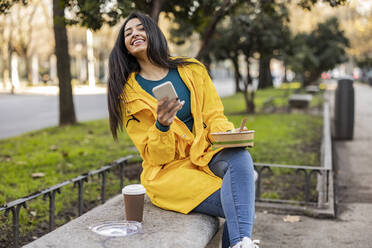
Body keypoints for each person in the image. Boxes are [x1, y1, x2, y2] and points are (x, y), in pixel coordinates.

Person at [107, 12, 259, 248]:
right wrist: (162, 126)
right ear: (125, 47)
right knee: (240, 198)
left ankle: (240, 244)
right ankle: (242, 244)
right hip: (169, 173)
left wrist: (229, 135)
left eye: (140, 29)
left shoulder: (192, 69)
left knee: (240, 157)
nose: (134, 34)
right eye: (128, 33)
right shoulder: (129, 96)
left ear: (154, 34)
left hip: (205, 154)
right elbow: (155, 156)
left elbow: (214, 115)